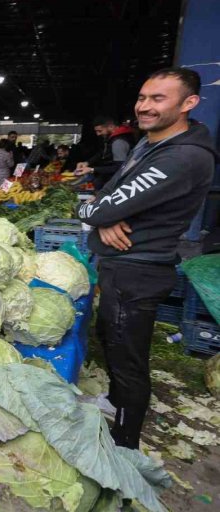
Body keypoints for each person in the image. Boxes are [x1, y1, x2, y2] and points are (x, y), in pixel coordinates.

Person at [77, 67, 216, 450]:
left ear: (188, 103)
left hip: (140, 268)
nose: (145, 106)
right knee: (112, 340)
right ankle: (116, 404)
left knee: (128, 359)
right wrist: (102, 216)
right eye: (142, 97)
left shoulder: (183, 157)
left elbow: (96, 208)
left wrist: (96, 216)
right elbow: (110, 190)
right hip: (125, 263)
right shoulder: (151, 144)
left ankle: (125, 443)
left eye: (159, 99)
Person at [76, 116, 136, 188]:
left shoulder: (118, 142)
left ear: (111, 127)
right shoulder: (111, 138)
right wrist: (87, 162)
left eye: (100, 131)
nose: (98, 134)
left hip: (116, 182)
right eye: (96, 131)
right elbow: (103, 153)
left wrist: (92, 169)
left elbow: (120, 168)